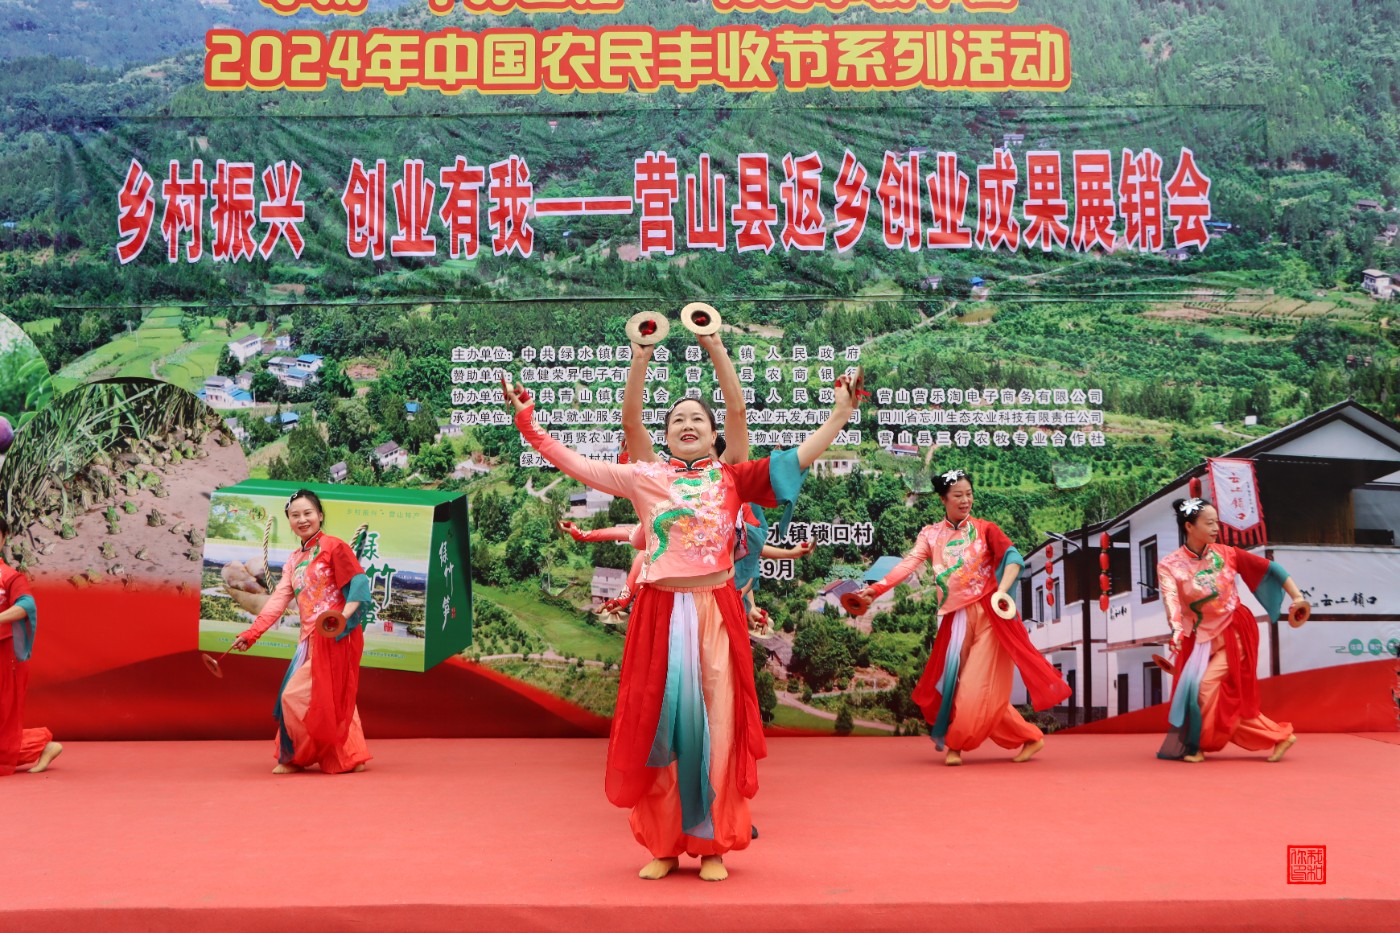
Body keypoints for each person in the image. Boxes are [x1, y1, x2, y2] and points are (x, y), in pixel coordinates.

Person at [503, 358, 857, 882]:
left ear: (714, 435)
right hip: (660, 614)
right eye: (676, 420)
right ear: (665, 435)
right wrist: (529, 424)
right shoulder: (644, 477)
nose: (687, 425)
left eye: (697, 419)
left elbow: (796, 455)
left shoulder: (732, 477)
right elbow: (574, 463)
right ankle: (665, 843)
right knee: (659, 726)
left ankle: (712, 844)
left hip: (716, 611)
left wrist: (839, 415)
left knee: (717, 727)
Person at [846, 469, 1070, 765]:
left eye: (969, 494)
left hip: (991, 616)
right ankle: (1030, 737)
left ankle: (956, 745)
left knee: (974, 686)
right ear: (943, 499)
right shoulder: (930, 535)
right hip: (956, 619)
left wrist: (1002, 591)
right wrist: (876, 589)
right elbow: (908, 564)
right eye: (958, 495)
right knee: (967, 687)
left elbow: (1013, 559)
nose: (965, 500)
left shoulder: (985, 529)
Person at [231, 490, 373, 775]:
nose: (302, 519)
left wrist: (341, 619)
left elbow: (359, 585)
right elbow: (278, 600)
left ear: (320, 515)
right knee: (334, 696)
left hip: (335, 635)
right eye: (295, 515)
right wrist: (252, 633)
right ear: (289, 521)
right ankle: (352, 754)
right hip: (309, 639)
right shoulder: (294, 560)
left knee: (296, 696)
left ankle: (299, 756)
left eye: (308, 513)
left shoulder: (334, 547)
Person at [1156, 497, 1302, 763]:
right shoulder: (1170, 565)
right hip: (1200, 636)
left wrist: (1298, 597)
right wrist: (1176, 632)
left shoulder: (1227, 554)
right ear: (1189, 526)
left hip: (1234, 630)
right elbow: (1171, 601)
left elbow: (1272, 569)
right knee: (1201, 694)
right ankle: (1277, 736)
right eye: (1209, 523)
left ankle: (1199, 745)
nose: (1216, 528)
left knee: (1204, 687)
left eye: (1217, 523)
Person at [0, 515, 62, 776]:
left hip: (5, 657)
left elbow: (26, 605)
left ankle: (39, 746)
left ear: (3, 538)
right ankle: (40, 745)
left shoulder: (10, 577)